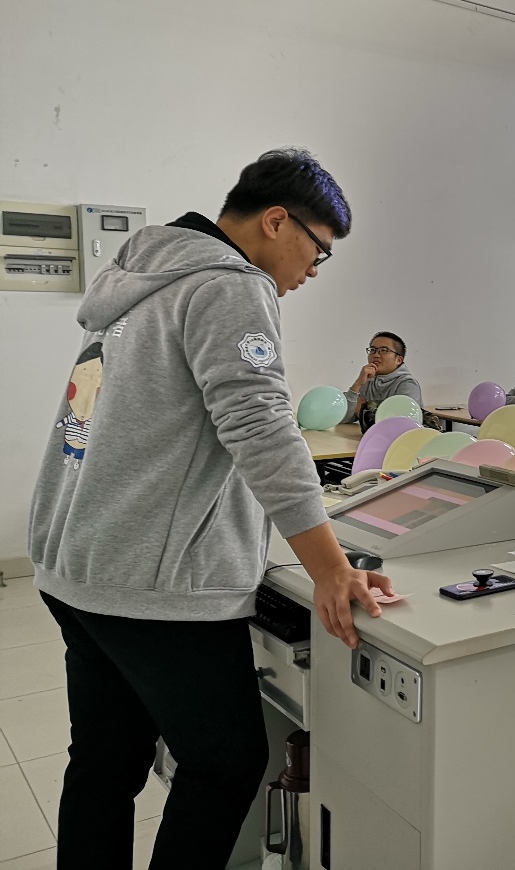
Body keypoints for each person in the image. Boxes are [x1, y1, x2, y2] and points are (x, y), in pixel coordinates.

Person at [27, 149, 393, 870]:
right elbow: (260, 426)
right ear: (277, 221)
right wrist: (330, 568)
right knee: (226, 763)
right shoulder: (231, 285)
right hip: (153, 588)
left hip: (78, 563)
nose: (314, 270)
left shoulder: (136, 283)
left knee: (104, 763)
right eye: (318, 250)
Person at [342, 331, 424, 424]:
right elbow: (343, 417)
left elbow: (402, 423)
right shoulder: (368, 380)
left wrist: (361, 412)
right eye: (372, 350)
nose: (376, 355)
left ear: (398, 360)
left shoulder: (407, 384)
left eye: (384, 350)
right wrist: (358, 384)